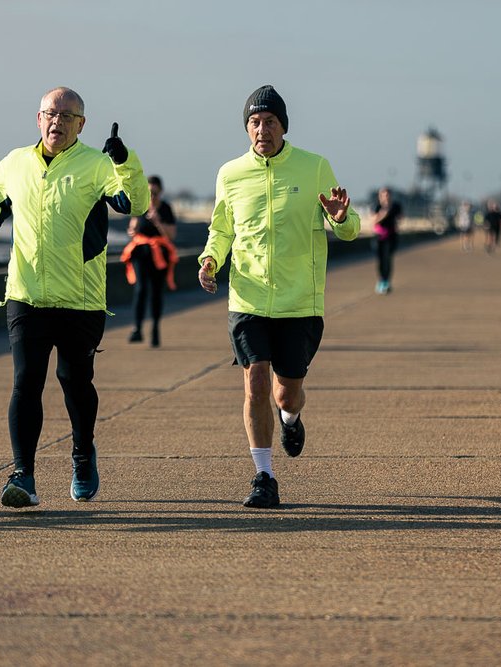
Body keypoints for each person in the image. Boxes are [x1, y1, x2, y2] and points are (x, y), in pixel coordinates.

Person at [0, 86, 149, 508]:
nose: (56, 121)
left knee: (75, 382)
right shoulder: (16, 163)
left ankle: (82, 453)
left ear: (81, 124)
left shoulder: (97, 165)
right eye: (49, 114)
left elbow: (135, 204)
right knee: (26, 382)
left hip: (81, 299)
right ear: (38, 120)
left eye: (66, 115)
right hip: (26, 295)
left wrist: (124, 161)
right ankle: (23, 475)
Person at [198, 85, 361, 509]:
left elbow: (347, 226)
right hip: (248, 300)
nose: (261, 129)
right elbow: (221, 229)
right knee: (254, 383)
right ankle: (264, 476)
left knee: (286, 392)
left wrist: (342, 219)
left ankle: (291, 418)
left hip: (299, 302)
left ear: (283, 126)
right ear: (246, 128)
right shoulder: (230, 174)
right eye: (254, 122)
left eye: (270, 121)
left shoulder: (313, 167)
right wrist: (211, 260)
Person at [121, 175, 178, 347]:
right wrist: (132, 229)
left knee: (156, 292)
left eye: (154, 192)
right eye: (149, 192)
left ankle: (155, 329)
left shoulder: (166, 208)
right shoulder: (140, 206)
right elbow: (132, 229)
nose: (151, 196)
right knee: (140, 289)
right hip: (141, 252)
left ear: (160, 191)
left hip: (160, 254)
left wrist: (157, 221)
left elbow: (171, 235)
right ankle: (137, 328)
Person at [368, 186, 402, 294]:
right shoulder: (376, 206)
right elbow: (373, 221)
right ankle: (381, 281)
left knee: (388, 259)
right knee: (380, 260)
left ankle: (387, 282)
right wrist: (383, 214)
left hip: (391, 236)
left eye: (387, 195)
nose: (385, 197)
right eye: (383, 195)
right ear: (379, 196)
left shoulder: (396, 206)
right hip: (379, 237)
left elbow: (400, 218)